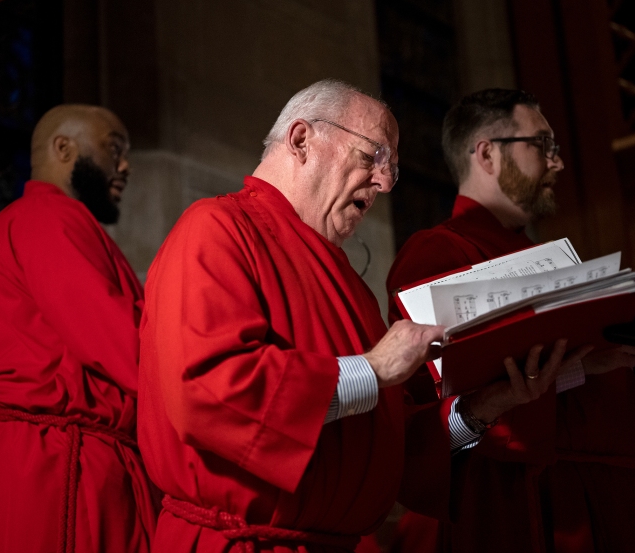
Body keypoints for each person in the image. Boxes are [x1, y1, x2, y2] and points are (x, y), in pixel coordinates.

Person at [137, 80, 573, 553]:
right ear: (302, 140)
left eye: (393, 170)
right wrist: (373, 368)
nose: (385, 183)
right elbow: (209, 391)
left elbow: (389, 444)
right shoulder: (217, 229)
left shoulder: (352, 288)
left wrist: (482, 407)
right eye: (372, 157)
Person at [387, 88, 635, 552]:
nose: (557, 163)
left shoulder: (542, 257)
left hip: (620, 496)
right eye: (542, 145)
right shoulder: (440, 250)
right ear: (487, 154)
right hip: (549, 506)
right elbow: (450, 396)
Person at [0, 105, 158, 553]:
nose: (125, 166)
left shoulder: (63, 224)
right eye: (114, 149)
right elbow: (123, 345)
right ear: (63, 147)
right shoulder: (45, 218)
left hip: (68, 456)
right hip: (59, 468)